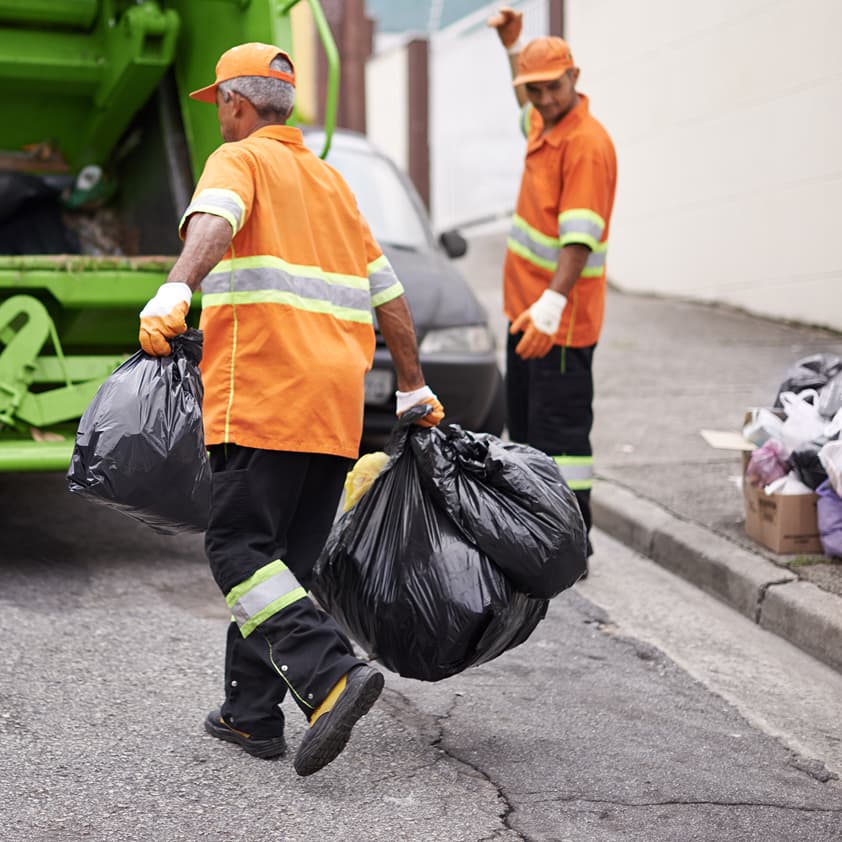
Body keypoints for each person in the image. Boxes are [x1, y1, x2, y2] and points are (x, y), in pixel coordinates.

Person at [138, 42, 444, 776]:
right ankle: (250, 717)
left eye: (219, 106)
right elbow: (390, 296)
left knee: (237, 551)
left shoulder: (240, 160)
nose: (218, 118)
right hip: (334, 410)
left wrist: (176, 288)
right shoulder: (334, 185)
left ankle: (330, 671)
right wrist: (412, 385)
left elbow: (212, 222)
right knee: (280, 568)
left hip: (264, 395)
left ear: (239, 106)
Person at [488, 9, 617, 566]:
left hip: (558, 323)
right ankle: (538, 534)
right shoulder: (546, 124)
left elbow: (580, 239)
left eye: (551, 86)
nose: (542, 97)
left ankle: (570, 546)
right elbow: (526, 103)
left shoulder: (585, 144)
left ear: (575, 78)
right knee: (529, 431)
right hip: (528, 313)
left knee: (563, 441)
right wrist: (513, 45)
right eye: (534, 89)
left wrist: (552, 305)